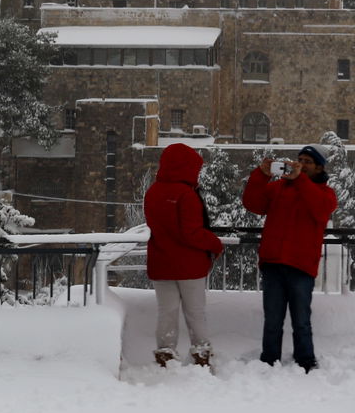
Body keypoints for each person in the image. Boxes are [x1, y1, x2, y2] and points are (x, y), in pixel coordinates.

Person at [242, 145, 338, 372]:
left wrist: (300, 181)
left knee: (301, 321)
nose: (301, 165)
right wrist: (261, 175)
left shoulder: (326, 193)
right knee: (272, 320)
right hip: (274, 262)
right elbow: (252, 204)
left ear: (319, 167)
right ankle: (269, 360)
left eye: (307, 161)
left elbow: (320, 209)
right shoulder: (278, 188)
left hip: (301, 265)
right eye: (300, 159)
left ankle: (305, 361)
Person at [144, 143, 224, 366]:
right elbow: (192, 233)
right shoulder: (186, 194)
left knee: (166, 312)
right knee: (195, 312)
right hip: (189, 265)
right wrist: (215, 244)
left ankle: (165, 354)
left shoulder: (153, 192)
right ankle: (201, 355)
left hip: (161, 262)